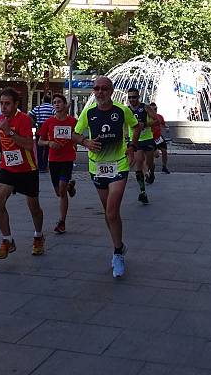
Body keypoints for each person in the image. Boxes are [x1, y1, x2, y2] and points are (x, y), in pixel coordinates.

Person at [72, 76, 140, 278]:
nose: (99, 92)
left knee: (111, 211)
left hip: (119, 165)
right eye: (96, 89)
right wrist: (85, 142)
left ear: (111, 91)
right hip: (97, 167)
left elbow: (136, 126)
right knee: (108, 213)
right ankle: (119, 245)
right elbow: (74, 133)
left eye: (104, 89)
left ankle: (118, 253)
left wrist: (131, 146)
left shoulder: (121, 110)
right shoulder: (88, 112)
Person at [0, 88, 45, 259]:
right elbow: (4, 138)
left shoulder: (24, 120)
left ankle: (38, 236)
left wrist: (10, 132)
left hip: (26, 169)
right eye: (1, 103)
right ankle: (7, 240)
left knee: (34, 207)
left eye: (7, 104)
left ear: (16, 104)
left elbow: (29, 145)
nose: (3, 107)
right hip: (7, 168)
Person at [38, 94, 77, 234]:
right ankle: (70, 185)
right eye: (54, 102)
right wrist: (49, 142)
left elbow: (78, 138)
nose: (56, 104)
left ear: (65, 104)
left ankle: (62, 221)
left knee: (61, 191)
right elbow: (40, 141)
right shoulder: (48, 122)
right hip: (53, 160)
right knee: (58, 192)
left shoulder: (73, 121)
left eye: (59, 102)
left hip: (67, 159)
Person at [126, 88, 157, 203]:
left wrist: (145, 124)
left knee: (149, 163)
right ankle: (142, 192)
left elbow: (157, 120)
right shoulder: (127, 110)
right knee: (138, 162)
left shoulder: (145, 107)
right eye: (129, 97)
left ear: (138, 97)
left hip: (147, 139)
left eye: (134, 97)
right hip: (135, 140)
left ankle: (151, 172)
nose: (131, 99)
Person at [29, 94, 54, 172]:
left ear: (43, 100)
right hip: (49, 130)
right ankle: (45, 165)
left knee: (39, 148)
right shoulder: (52, 108)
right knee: (47, 148)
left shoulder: (38, 108)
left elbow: (29, 115)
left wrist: (34, 123)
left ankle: (39, 166)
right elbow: (56, 115)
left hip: (39, 129)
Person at [149, 102, 170, 174]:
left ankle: (164, 166)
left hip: (159, 137)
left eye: (156, 109)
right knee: (155, 155)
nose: (155, 111)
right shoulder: (147, 118)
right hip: (151, 139)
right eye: (153, 109)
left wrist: (166, 127)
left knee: (164, 151)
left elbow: (163, 124)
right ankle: (150, 169)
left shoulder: (160, 116)